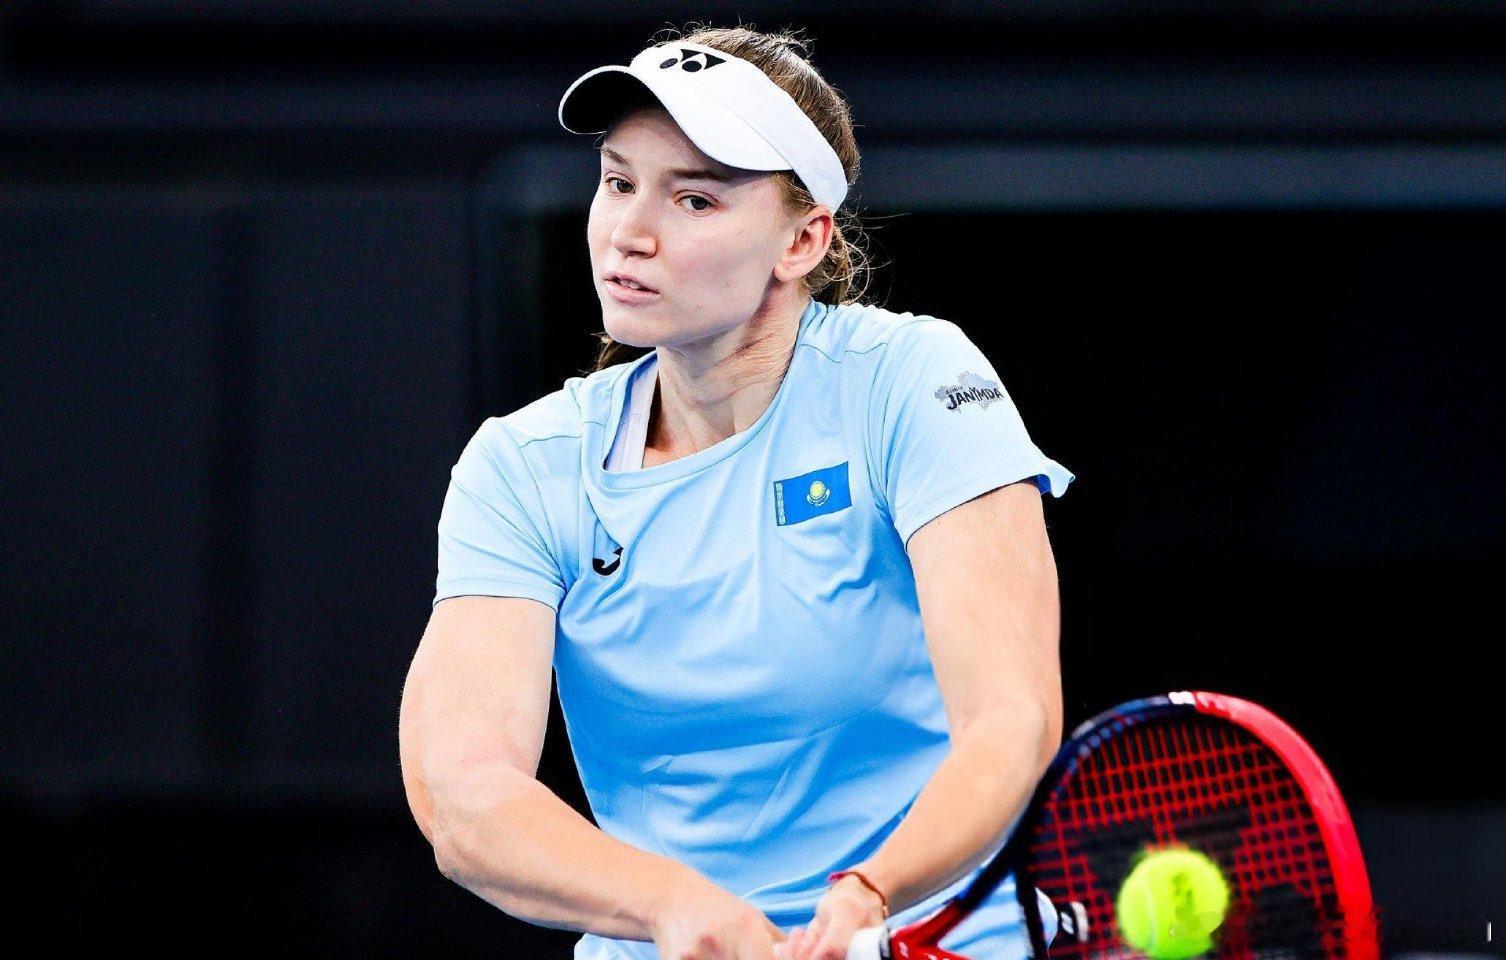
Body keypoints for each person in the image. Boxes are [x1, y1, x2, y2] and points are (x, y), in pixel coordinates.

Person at [399, 23, 1076, 960]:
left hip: (925, 935)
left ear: (801, 239)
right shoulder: (523, 465)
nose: (629, 233)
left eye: (694, 199)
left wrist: (869, 895)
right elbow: (464, 796)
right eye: (618, 182)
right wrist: (674, 905)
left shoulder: (914, 382)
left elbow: (1011, 722)